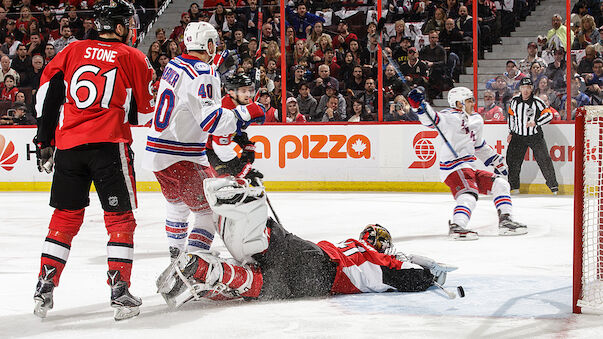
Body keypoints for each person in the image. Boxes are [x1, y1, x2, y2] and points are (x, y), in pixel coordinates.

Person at [32, 0, 155, 321]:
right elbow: (143, 111)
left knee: (64, 218)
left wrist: (45, 138)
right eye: (126, 23)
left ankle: (44, 286)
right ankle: (119, 291)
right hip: (108, 145)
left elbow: (51, 89)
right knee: (120, 221)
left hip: (69, 145)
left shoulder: (72, 50)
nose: (130, 28)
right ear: (116, 26)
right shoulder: (132, 56)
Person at [156, 177, 457, 307]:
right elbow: (407, 278)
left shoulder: (349, 244)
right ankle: (213, 271)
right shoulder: (376, 260)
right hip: (322, 275)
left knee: (269, 254)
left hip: (311, 253)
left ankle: (207, 267)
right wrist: (429, 274)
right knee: (265, 287)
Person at [143, 23, 265, 264]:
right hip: (182, 155)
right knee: (208, 212)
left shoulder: (174, 64)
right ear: (209, 45)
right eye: (215, 43)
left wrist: (213, 69)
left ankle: (176, 256)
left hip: (157, 153)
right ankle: (195, 261)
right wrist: (246, 113)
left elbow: (189, 93)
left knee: (177, 206)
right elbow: (212, 121)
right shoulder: (204, 73)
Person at [407, 86, 528, 240]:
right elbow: (431, 120)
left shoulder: (476, 119)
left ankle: (506, 222)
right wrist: (418, 105)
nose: (473, 104)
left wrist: (497, 161)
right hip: (454, 167)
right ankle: (457, 226)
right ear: (459, 104)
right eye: (469, 101)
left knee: (501, 184)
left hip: (469, 168)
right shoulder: (449, 117)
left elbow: (479, 145)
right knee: (469, 194)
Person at [506, 77, 558, 194]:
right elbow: (511, 117)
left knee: (544, 160)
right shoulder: (514, 101)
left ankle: (553, 186)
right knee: (512, 161)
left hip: (534, 136)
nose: (525, 90)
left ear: (531, 89)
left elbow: (549, 115)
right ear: (520, 88)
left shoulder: (537, 101)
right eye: (523, 87)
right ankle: (514, 187)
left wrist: (536, 122)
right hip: (518, 136)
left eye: (528, 88)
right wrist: (511, 132)